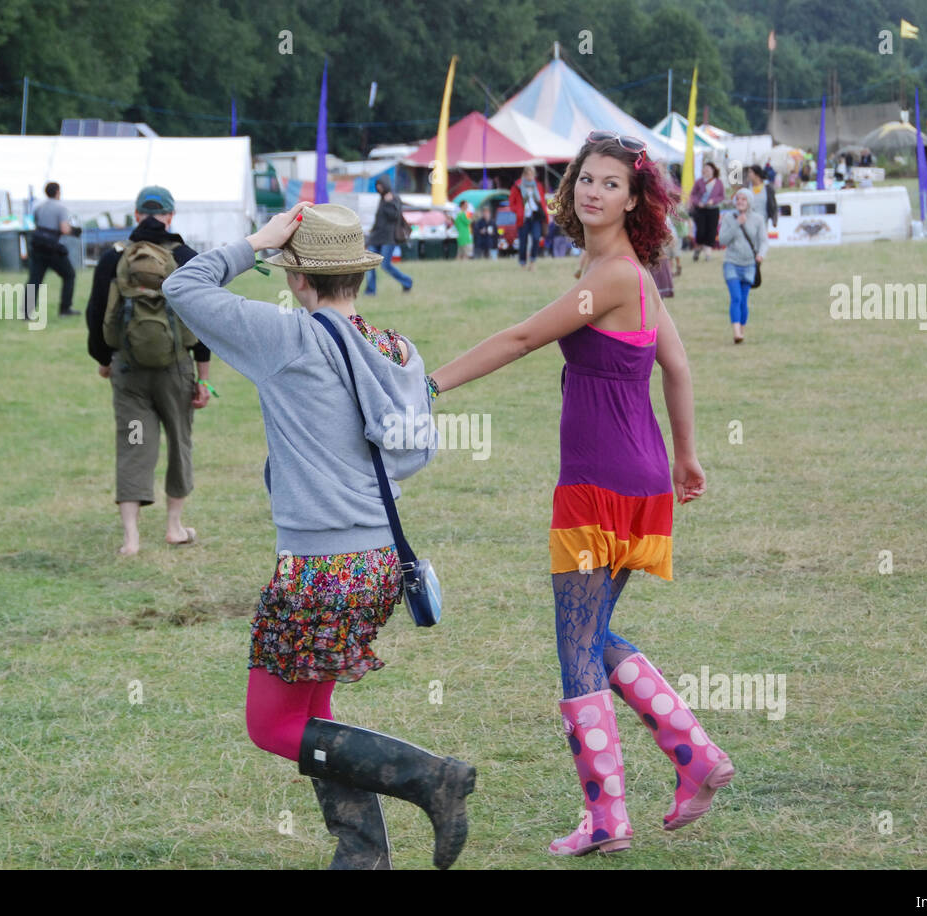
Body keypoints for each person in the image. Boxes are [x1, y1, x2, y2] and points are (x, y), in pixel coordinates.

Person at [426, 131, 731, 857]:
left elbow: (524, 338)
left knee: (575, 647)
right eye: (584, 180)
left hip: (601, 484)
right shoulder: (621, 270)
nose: (592, 192)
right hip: (638, 475)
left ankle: (608, 817)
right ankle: (693, 757)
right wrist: (684, 458)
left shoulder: (619, 275)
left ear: (634, 199)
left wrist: (428, 383)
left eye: (609, 184)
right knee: (591, 635)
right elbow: (678, 366)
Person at [163, 202, 476, 870]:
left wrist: (257, 241)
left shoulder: (288, 338)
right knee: (316, 711)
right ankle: (361, 854)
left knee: (271, 725)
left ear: (298, 278)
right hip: (379, 565)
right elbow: (417, 452)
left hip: (318, 569)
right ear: (357, 274)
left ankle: (433, 778)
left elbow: (182, 287)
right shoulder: (396, 348)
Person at [85, 186, 210, 556]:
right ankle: (174, 528)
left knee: (134, 443)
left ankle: (131, 538)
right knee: (178, 441)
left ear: (137, 215)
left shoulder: (114, 258)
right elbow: (202, 321)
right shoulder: (187, 257)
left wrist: (104, 360)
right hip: (175, 370)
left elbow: (95, 315)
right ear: (170, 216)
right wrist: (203, 378)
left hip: (129, 371)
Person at [719, 189, 767, 344]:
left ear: (750, 202)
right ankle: (736, 332)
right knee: (736, 297)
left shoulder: (758, 219)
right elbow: (722, 240)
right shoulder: (728, 217)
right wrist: (736, 224)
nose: (740, 201)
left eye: (744, 199)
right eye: (738, 199)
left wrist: (761, 254)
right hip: (731, 263)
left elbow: (764, 241)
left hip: (749, 265)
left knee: (744, 299)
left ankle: (741, 331)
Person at [28, 182, 79, 317]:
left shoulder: (39, 207)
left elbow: (37, 224)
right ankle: (65, 309)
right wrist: (74, 230)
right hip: (52, 248)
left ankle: (27, 312)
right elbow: (64, 228)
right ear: (57, 192)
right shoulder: (60, 208)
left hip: (37, 246)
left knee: (35, 279)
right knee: (69, 275)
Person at [363, 175, 413, 295]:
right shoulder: (381, 199)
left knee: (385, 265)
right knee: (370, 265)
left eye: (380, 185)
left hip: (389, 238)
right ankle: (370, 290)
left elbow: (394, 217)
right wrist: (369, 237)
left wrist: (389, 202)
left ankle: (407, 282)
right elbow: (378, 219)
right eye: (377, 186)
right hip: (376, 237)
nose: (379, 188)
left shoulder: (394, 198)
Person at [509, 165, 548, 269]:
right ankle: (522, 263)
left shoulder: (538, 186)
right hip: (523, 218)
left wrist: (545, 213)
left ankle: (533, 261)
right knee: (523, 242)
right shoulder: (517, 186)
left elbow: (542, 201)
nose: (530, 176)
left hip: (536, 216)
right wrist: (518, 211)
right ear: (524, 175)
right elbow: (511, 204)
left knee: (536, 238)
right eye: (528, 174)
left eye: (532, 174)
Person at [688, 161, 724, 261]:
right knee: (701, 231)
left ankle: (708, 253)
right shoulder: (699, 182)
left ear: (713, 170)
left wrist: (713, 201)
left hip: (713, 210)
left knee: (711, 231)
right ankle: (698, 248)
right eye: (705, 169)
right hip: (700, 210)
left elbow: (721, 196)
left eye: (708, 169)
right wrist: (698, 202)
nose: (706, 171)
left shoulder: (718, 182)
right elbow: (693, 195)